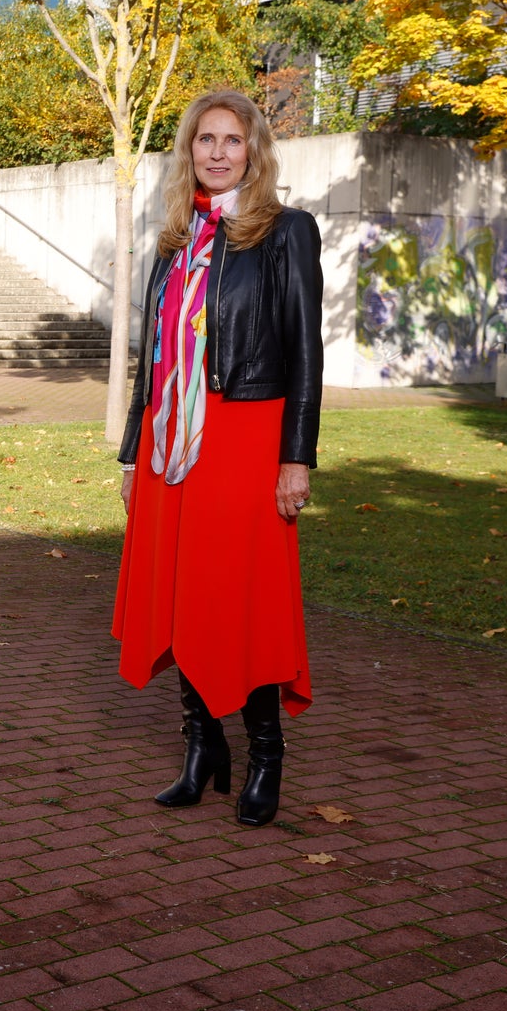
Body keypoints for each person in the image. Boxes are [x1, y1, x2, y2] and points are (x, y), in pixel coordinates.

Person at [111, 88, 323, 827]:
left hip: (248, 437)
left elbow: (306, 352)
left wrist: (297, 458)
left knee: (243, 596)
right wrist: (135, 455)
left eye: (233, 140)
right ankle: (203, 750)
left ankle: (266, 755)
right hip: (175, 446)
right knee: (182, 591)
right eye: (206, 139)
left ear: (253, 150)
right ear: (189, 151)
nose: (218, 152)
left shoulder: (286, 231)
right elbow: (152, 363)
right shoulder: (175, 241)